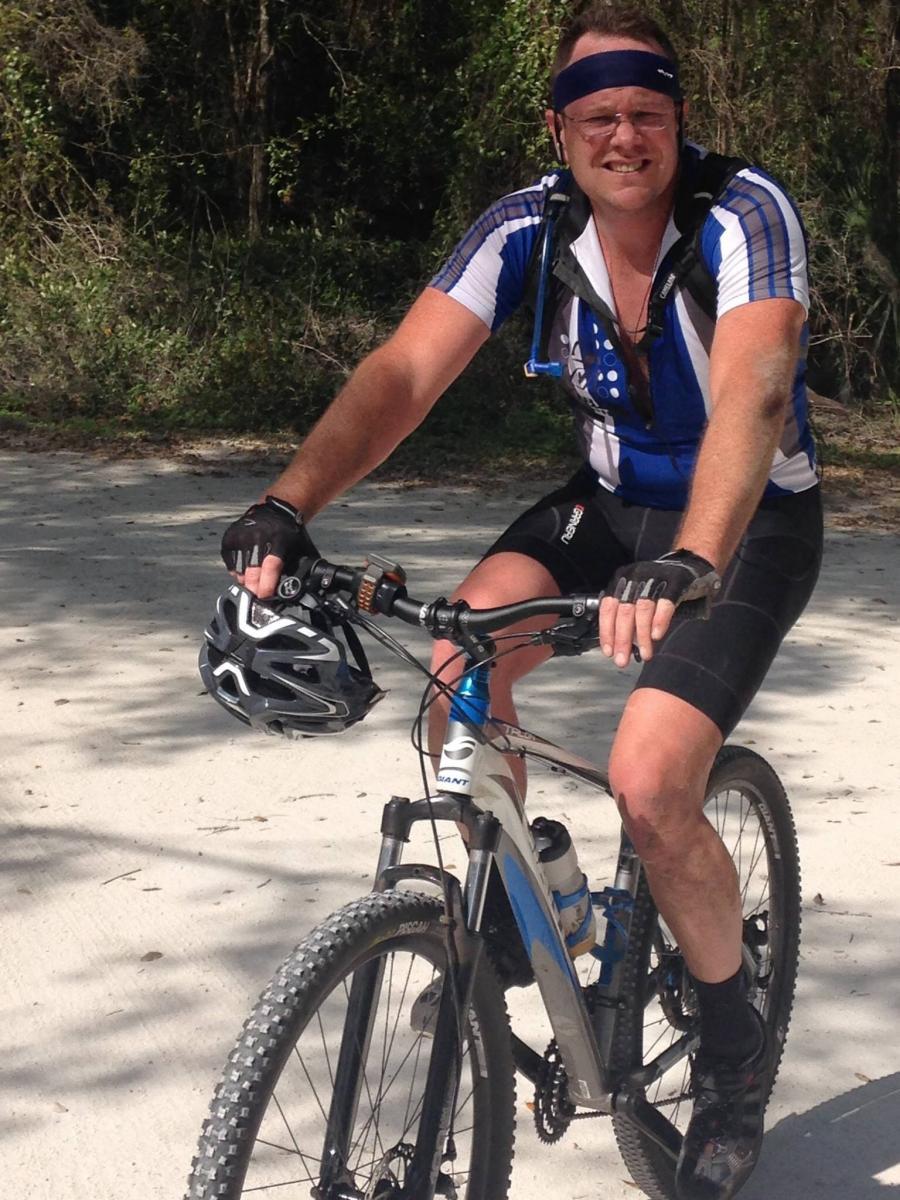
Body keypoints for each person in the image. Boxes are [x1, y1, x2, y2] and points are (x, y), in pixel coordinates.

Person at [219, 6, 822, 1197]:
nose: (625, 135)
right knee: (457, 667)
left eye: (648, 111)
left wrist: (693, 559)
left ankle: (735, 1058)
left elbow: (754, 392)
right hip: (604, 508)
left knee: (653, 783)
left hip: (741, 525)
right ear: (561, 128)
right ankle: (512, 905)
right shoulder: (527, 228)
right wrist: (289, 506)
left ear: (678, 119)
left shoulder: (745, 212)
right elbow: (402, 372)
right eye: (598, 115)